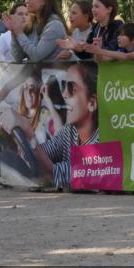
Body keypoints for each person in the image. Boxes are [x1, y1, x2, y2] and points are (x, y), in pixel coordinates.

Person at [25, 62, 100, 192]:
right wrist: (25, 148)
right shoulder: (69, 130)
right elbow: (47, 151)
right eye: (63, 85)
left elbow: (59, 174)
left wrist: (29, 137)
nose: (64, 94)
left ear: (92, 103)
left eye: (71, 88)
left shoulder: (101, 140)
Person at [3, 0, 67, 63]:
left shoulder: (55, 25)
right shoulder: (34, 24)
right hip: (38, 73)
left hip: (54, 74)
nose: (26, 1)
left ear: (44, 1)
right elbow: (18, 57)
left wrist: (19, 33)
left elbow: (36, 56)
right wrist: (14, 33)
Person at [0, 2, 27, 71]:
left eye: (27, 14)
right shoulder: (5, 37)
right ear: (12, 17)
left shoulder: (35, 33)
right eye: (20, 14)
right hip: (11, 79)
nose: (24, 17)